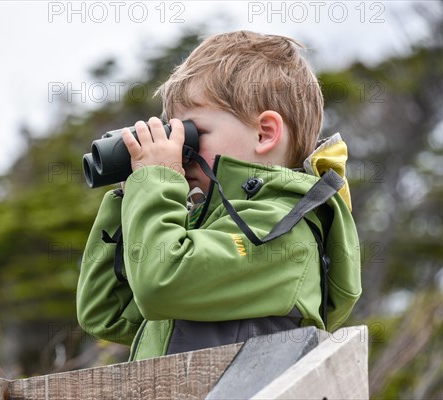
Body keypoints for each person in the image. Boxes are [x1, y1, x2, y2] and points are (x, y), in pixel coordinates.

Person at [76, 30, 361, 361]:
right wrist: (129, 197)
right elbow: (106, 311)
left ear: (264, 133)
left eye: (196, 133)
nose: (183, 151)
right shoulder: (205, 232)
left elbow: (160, 283)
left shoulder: (283, 232)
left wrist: (155, 180)